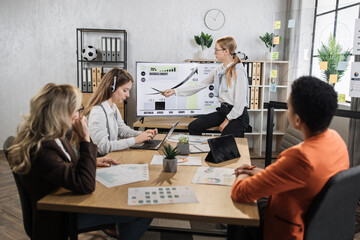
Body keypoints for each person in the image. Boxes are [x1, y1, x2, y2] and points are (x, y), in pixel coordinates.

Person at [7, 83, 152, 240]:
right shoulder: (41, 149)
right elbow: (85, 185)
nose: (80, 115)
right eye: (77, 110)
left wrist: (93, 160)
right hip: (63, 216)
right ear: (61, 113)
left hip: (70, 202)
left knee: (128, 199)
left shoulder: (53, 136)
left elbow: (66, 164)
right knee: (142, 210)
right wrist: (85, 139)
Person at [228, 76, 349, 240]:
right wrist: (256, 171)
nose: (286, 111)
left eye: (288, 107)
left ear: (297, 120)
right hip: (311, 221)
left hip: (286, 228)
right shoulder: (336, 140)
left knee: (238, 204)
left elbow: (240, 192)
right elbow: (299, 178)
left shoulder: (300, 157)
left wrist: (240, 172)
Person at [163, 36, 249, 137]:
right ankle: (200, 150)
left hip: (237, 116)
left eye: (216, 50)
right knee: (194, 126)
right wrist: (175, 91)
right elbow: (200, 85)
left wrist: (227, 120)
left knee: (224, 139)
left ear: (226, 51)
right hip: (223, 112)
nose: (214, 53)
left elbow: (240, 104)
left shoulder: (238, 71)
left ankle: (215, 151)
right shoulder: (219, 70)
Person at [84, 68, 158, 156]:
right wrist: (135, 140)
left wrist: (143, 134)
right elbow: (103, 147)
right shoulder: (98, 112)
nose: (128, 95)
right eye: (124, 90)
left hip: (110, 157)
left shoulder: (113, 106)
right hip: (99, 163)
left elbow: (122, 130)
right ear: (111, 87)